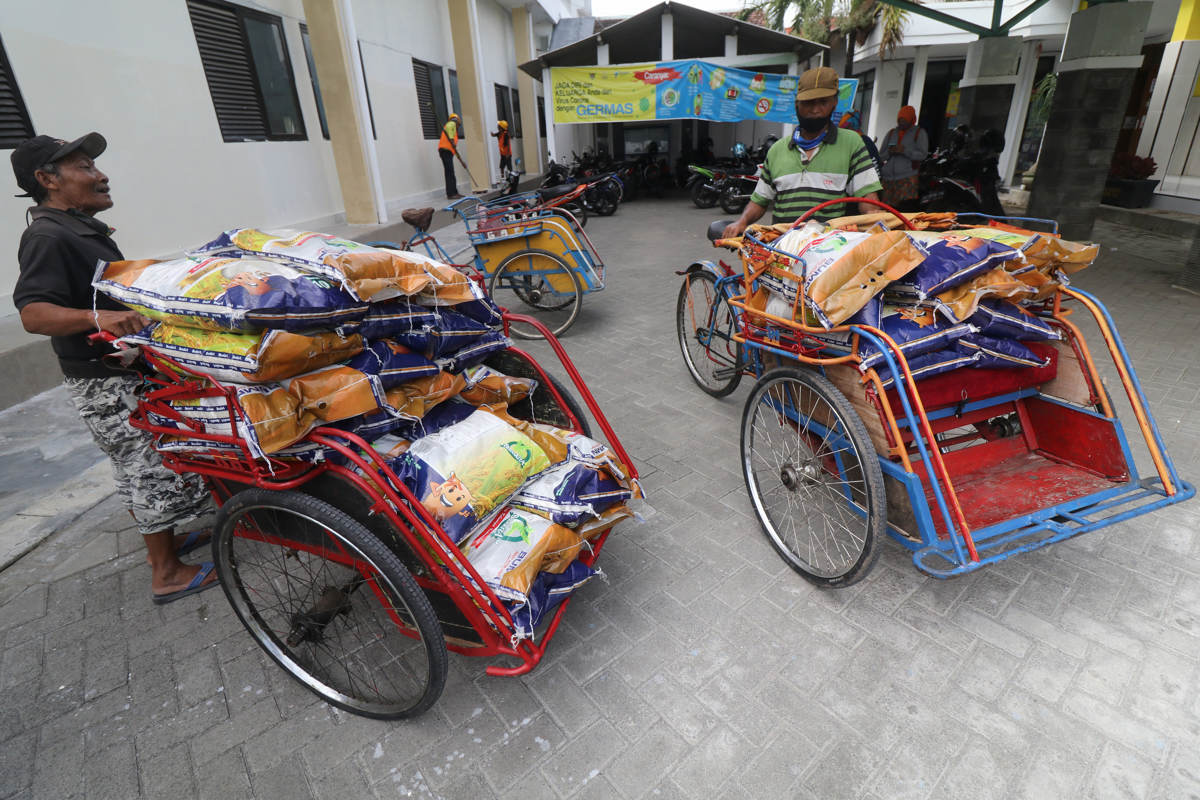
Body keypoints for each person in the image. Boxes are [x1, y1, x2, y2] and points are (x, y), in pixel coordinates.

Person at [11, 133, 218, 605]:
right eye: (84, 167)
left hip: (118, 369)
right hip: (105, 380)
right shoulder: (47, 235)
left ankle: (160, 547)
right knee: (148, 462)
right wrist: (95, 317)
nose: (101, 175)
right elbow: (32, 313)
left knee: (134, 465)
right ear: (47, 179)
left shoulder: (77, 227)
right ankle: (166, 573)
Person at [724, 67, 882, 238]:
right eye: (808, 102)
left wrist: (875, 223)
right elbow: (760, 200)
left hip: (830, 252)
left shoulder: (852, 143)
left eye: (823, 102)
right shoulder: (777, 150)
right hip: (782, 251)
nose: (815, 109)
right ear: (796, 103)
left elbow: (868, 201)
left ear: (834, 102)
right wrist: (742, 221)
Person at [879, 105, 930, 211]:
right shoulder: (891, 133)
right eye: (900, 120)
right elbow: (881, 156)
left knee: (903, 210)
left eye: (904, 120)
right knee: (886, 210)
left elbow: (923, 155)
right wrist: (890, 152)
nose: (901, 123)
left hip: (907, 179)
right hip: (888, 180)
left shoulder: (919, 133)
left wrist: (904, 151)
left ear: (911, 119)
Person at [838, 110, 882, 174]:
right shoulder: (843, 142)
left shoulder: (865, 141)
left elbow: (874, 164)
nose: (844, 132)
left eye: (846, 128)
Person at [438, 112, 463, 200]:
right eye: (459, 124)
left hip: (447, 151)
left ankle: (454, 192)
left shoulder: (453, 131)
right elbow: (449, 128)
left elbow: (453, 148)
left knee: (450, 172)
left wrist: (460, 159)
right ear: (457, 121)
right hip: (445, 151)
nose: (458, 126)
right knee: (450, 172)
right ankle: (451, 193)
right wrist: (452, 140)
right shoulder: (452, 123)